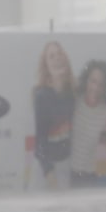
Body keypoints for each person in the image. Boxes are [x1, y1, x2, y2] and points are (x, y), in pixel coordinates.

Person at [33, 41, 75, 190]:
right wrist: (50, 176)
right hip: (46, 170)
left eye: (59, 54)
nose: (57, 58)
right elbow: (40, 144)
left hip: (66, 165)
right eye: (51, 56)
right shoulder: (42, 96)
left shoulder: (71, 93)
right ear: (46, 67)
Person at [69, 60, 106, 188]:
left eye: (101, 84)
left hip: (92, 177)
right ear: (86, 81)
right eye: (93, 81)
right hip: (69, 174)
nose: (96, 88)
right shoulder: (74, 103)